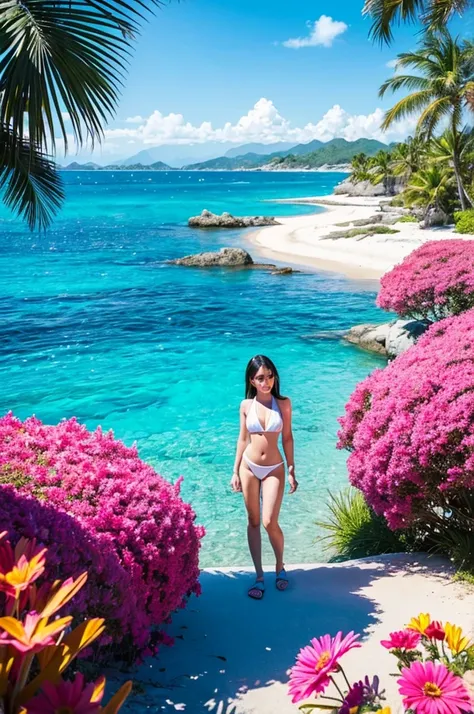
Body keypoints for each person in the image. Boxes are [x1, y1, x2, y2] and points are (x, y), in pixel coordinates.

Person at [231, 354, 298, 599]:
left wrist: (291, 468)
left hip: (274, 468)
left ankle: (279, 566)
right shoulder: (245, 406)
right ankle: (259, 576)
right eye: (261, 378)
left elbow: (288, 438)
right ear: (252, 380)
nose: (266, 382)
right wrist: (235, 470)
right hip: (248, 467)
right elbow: (242, 439)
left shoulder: (284, 404)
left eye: (270, 376)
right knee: (253, 521)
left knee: (270, 521)